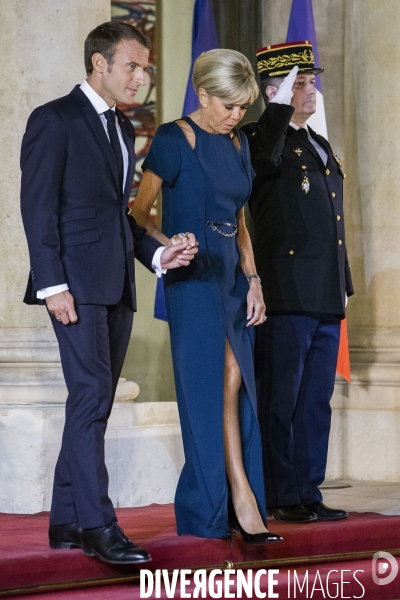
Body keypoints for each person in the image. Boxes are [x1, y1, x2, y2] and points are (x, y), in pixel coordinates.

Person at [20, 21, 198, 565]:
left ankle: (67, 519)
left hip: (116, 282)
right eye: (133, 66)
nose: (141, 77)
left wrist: (158, 255)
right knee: (93, 396)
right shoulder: (54, 119)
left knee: (91, 401)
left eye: (145, 68)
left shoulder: (122, 129)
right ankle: (99, 525)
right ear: (100, 63)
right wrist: (52, 286)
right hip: (73, 285)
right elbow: (38, 209)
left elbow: (120, 215)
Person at [131, 49, 283, 545]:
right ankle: (227, 500)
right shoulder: (175, 139)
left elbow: (240, 221)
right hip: (192, 277)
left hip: (233, 276)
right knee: (213, 382)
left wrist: (255, 279)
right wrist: (166, 246)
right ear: (203, 95)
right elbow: (137, 215)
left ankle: (237, 494)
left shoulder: (236, 142)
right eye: (229, 106)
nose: (237, 116)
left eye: (243, 107)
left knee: (237, 378)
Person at [242, 42, 354, 523]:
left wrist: (342, 280)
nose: (311, 91)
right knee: (280, 398)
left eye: (310, 82)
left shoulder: (317, 142)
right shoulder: (259, 137)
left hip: (324, 291)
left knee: (315, 402)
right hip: (286, 290)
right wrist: (280, 107)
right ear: (275, 91)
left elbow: (331, 218)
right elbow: (261, 167)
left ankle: (309, 490)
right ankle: (281, 492)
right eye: (299, 83)